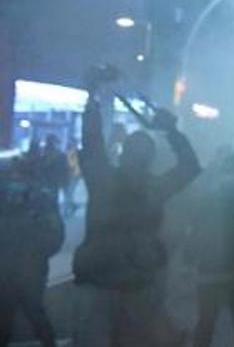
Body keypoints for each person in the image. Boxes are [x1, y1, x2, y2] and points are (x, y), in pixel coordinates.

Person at [72, 95, 200, 347]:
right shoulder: (155, 187)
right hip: (137, 282)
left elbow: (92, 143)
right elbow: (190, 166)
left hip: (99, 279)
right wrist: (172, 132)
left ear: (123, 153)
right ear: (150, 158)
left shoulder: (102, 180)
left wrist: (92, 99)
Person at [188, 152, 234, 347]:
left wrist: (191, 254)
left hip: (214, 268)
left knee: (209, 317)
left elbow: (198, 229)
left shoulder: (212, 196)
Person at [0, 155, 64, 347]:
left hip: (27, 268)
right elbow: (55, 236)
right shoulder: (40, 200)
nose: (15, 180)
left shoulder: (41, 201)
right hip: (16, 267)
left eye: (18, 176)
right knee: (9, 314)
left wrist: (36, 252)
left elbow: (55, 236)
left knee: (30, 313)